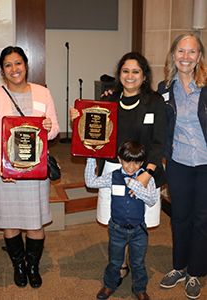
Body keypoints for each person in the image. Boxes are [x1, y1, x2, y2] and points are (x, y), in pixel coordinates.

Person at [71, 52, 166, 282]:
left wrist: (147, 175)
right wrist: (78, 118)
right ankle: (121, 263)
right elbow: (95, 131)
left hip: (144, 171)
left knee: (139, 221)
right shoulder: (109, 100)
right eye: (125, 71)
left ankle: (137, 263)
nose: (130, 75)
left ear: (144, 76)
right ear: (119, 74)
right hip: (112, 169)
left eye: (136, 71)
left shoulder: (154, 102)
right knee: (115, 220)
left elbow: (159, 142)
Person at [0, 46, 59, 288]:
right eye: (8, 65)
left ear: (26, 65)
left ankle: (33, 265)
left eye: (18, 63)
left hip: (35, 171)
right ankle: (18, 265)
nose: (14, 69)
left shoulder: (42, 92)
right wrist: (3, 166)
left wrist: (49, 127)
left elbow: (55, 128)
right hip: (7, 172)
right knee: (11, 221)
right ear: (2, 70)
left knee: (35, 223)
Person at [158, 33, 207, 300]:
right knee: (179, 218)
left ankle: (195, 272)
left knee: (202, 220)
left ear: (199, 56)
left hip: (206, 164)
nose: (186, 57)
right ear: (173, 54)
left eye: (192, 52)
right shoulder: (164, 88)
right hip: (178, 163)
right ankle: (179, 266)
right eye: (181, 51)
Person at [85, 141, 158, 300]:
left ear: (142, 162)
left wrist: (138, 187)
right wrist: (91, 157)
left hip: (139, 230)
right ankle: (109, 285)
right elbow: (90, 182)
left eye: (137, 162)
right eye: (127, 161)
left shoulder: (146, 179)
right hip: (117, 229)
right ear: (119, 159)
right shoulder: (113, 176)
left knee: (138, 263)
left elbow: (152, 200)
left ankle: (140, 288)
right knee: (115, 261)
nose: (131, 167)